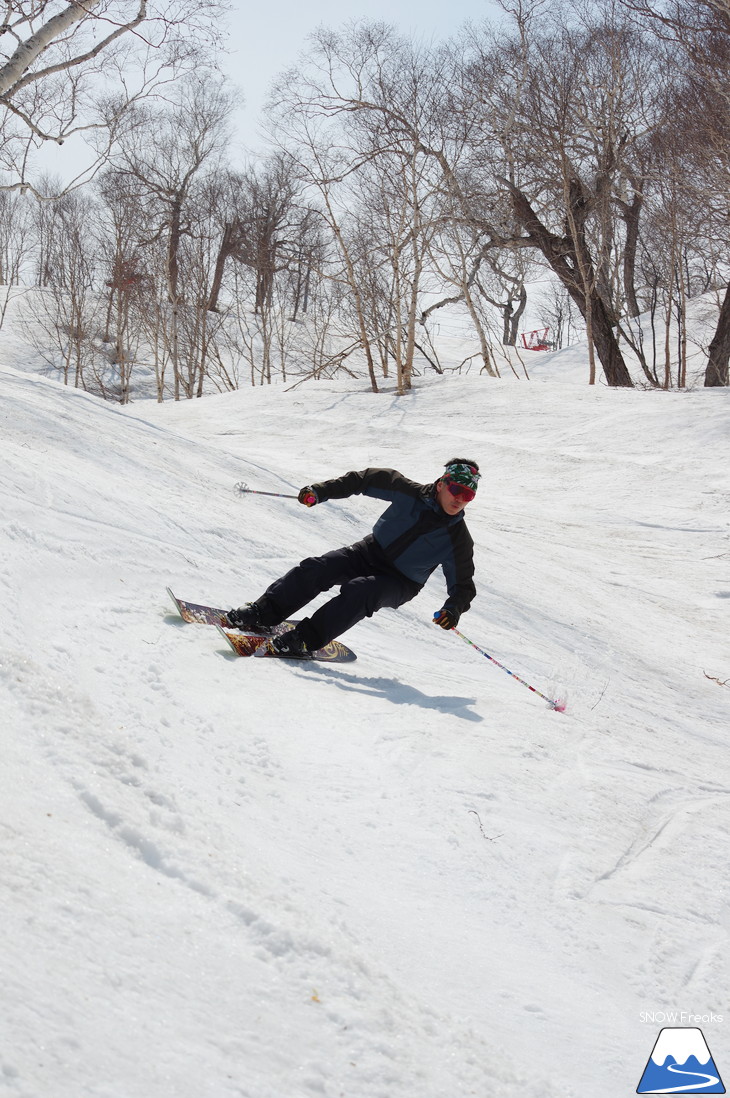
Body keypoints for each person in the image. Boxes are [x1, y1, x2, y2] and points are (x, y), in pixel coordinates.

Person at [226, 458, 480, 658]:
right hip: (367, 552)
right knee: (319, 567)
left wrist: (452, 609)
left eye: (468, 495)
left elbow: (463, 586)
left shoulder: (458, 539)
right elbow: (363, 480)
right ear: (441, 484)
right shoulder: (407, 491)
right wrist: (320, 491)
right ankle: (263, 613)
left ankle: (304, 639)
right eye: (456, 489)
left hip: (400, 582)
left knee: (361, 591)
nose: (460, 498)